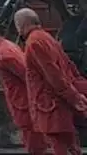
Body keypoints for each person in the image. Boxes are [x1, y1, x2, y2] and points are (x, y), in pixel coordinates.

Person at [17, 8, 87, 155]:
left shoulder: (34, 42)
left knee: (58, 145)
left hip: (50, 105)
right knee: (71, 144)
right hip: (58, 102)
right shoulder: (47, 37)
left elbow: (54, 75)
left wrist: (74, 97)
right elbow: (68, 66)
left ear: (22, 25)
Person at [0, 19, 44, 154]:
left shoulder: (4, 53)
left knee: (34, 142)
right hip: (23, 100)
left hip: (23, 101)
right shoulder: (6, 46)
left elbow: (27, 75)